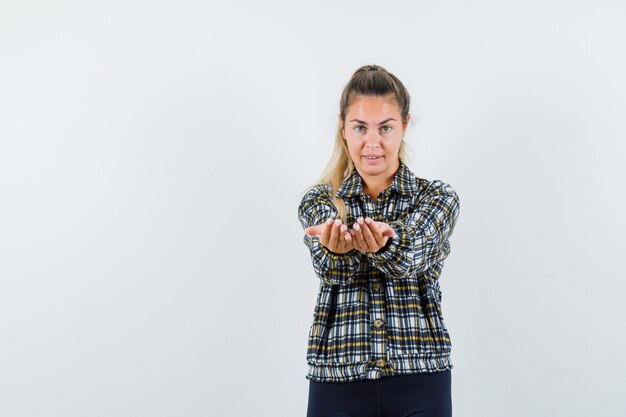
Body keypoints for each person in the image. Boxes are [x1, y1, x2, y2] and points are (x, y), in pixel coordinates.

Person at [297, 64, 461, 417]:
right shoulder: (319, 201)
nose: (372, 143)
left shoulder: (437, 197)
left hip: (420, 376)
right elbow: (330, 269)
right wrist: (335, 250)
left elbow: (413, 252)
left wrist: (387, 242)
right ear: (343, 128)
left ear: (404, 125)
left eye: (385, 127)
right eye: (360, 128)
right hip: (337, 377)